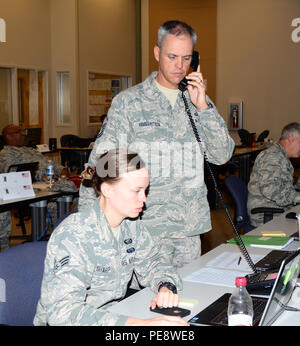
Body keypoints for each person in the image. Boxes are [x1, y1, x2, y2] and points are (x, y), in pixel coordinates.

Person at [79, 20, 234, 269]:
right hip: (143, 229)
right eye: (172, 56)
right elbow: (99, 164)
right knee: (143, 304)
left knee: (187, 300)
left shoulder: (198, 101)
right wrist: (90, 227)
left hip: (188, 231)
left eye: (186, 58)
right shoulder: (129, 103)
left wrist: (204, 108)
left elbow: (222, 155)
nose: (179, 66)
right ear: (156, 53)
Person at [34, 149, 188, 326]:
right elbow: (63, 313)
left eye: (145, 190)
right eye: (136, 190)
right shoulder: (74, 234)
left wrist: (165, 286)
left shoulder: (131, 224)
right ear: (107, 189)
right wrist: (138, 324)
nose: (144, 199)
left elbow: (153, 261)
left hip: (114, 315)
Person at [0, 124, 75, 251]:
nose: (24, 134)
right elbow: (14, 174)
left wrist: (63, 170)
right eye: (19, 131)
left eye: (23, 131)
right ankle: (49, 242)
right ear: (8, 136)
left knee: (76, 198)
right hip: (28, 192)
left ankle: (66, 239)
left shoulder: (31, 150)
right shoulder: (5, 154)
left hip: (50, 185)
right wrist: (42, 175)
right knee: (55, 205)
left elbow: (51, 164)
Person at [248, 122, 300, 227]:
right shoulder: (273, 157)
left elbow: (283, 185)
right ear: (291, 138)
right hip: (268, 215)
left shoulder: (280, 155)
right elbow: (270, 189)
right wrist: (297, 197)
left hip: (279, 209)